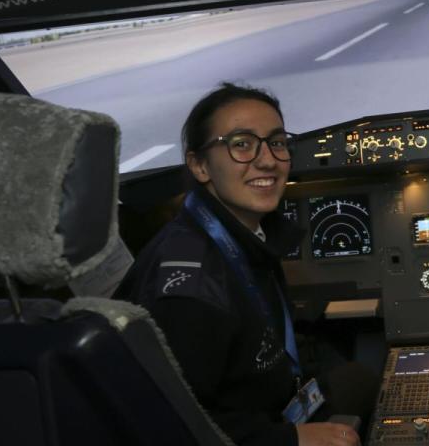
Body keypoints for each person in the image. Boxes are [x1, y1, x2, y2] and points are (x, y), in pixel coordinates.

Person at [115, 83, 370, 446]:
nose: (267, 160)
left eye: (276, 142)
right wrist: (291, 439)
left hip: (264, 406)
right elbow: (167, 426)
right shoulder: (190, 291)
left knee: (361, 376)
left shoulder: (244, 236)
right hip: (244, 433)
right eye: (241, 144)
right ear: (200, 165)